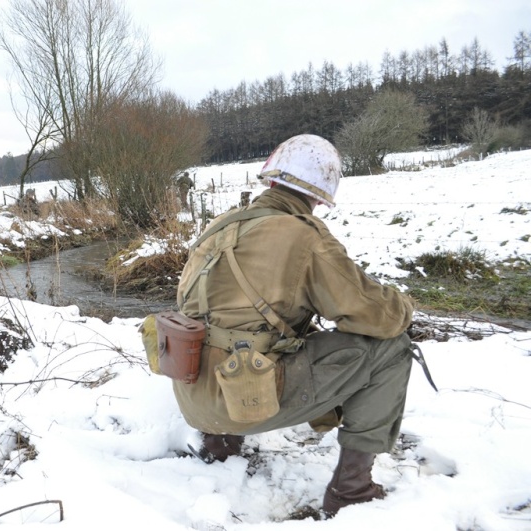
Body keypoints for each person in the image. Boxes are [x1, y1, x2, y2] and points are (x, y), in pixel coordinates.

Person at [172, 134, 415, 517]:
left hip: (194, 395)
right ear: (320, 196)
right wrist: (403, 305)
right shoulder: (305, 235)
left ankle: (219, 445)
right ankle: (352, 490)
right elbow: (376, 316)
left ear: (271, 179)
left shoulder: (220, 226)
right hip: (240, 399)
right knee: (393, 349)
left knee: (239, 331)